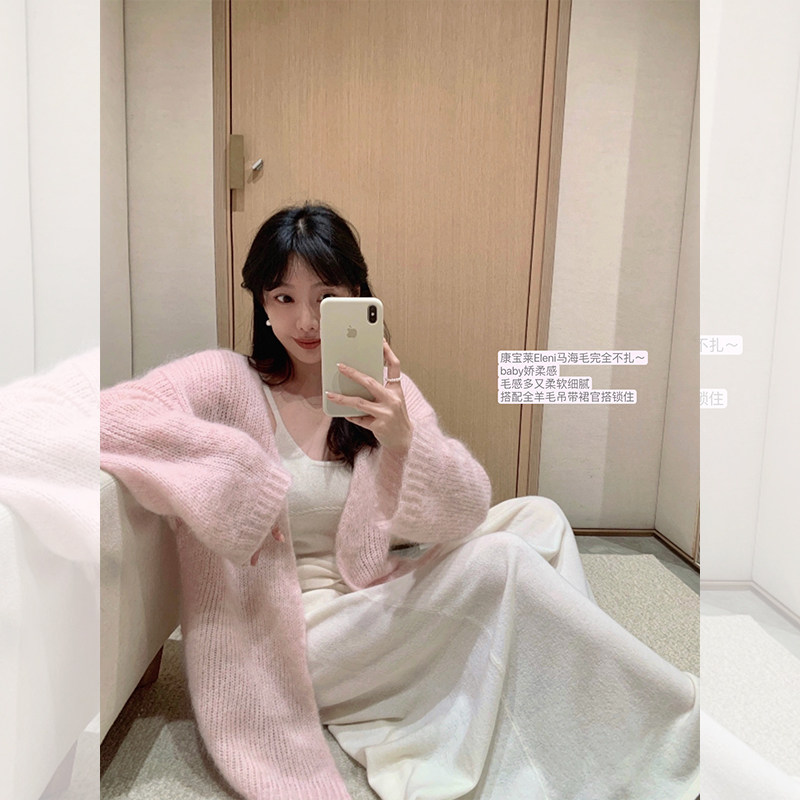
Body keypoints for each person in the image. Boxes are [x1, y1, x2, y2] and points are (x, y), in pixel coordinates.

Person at [100, 203, 699, 800]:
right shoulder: (225, 380)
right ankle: (665, 724)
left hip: (365, 599)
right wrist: (233, 473)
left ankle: (576, 699)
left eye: (326, 297)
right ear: (260, 302)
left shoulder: (384, 391)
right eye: (283, 297)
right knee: (502, 564)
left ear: (358, 295)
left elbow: (464, 510)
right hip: (286, 638)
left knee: (539, 516)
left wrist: (405, 439)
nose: (305, 320)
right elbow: (106, 417)